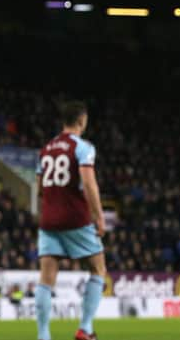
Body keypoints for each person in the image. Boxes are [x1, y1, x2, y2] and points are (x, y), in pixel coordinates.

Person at [35, 102, 106, 340]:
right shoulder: (83, 148)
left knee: (46, 279)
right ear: (82, 120)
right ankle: (85, 329)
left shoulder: (45, 149)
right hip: (76, 218)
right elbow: (88, 184)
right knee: (97, 268)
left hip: (48, 220)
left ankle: (43, 336)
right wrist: (98, 216)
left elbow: (39, 189)